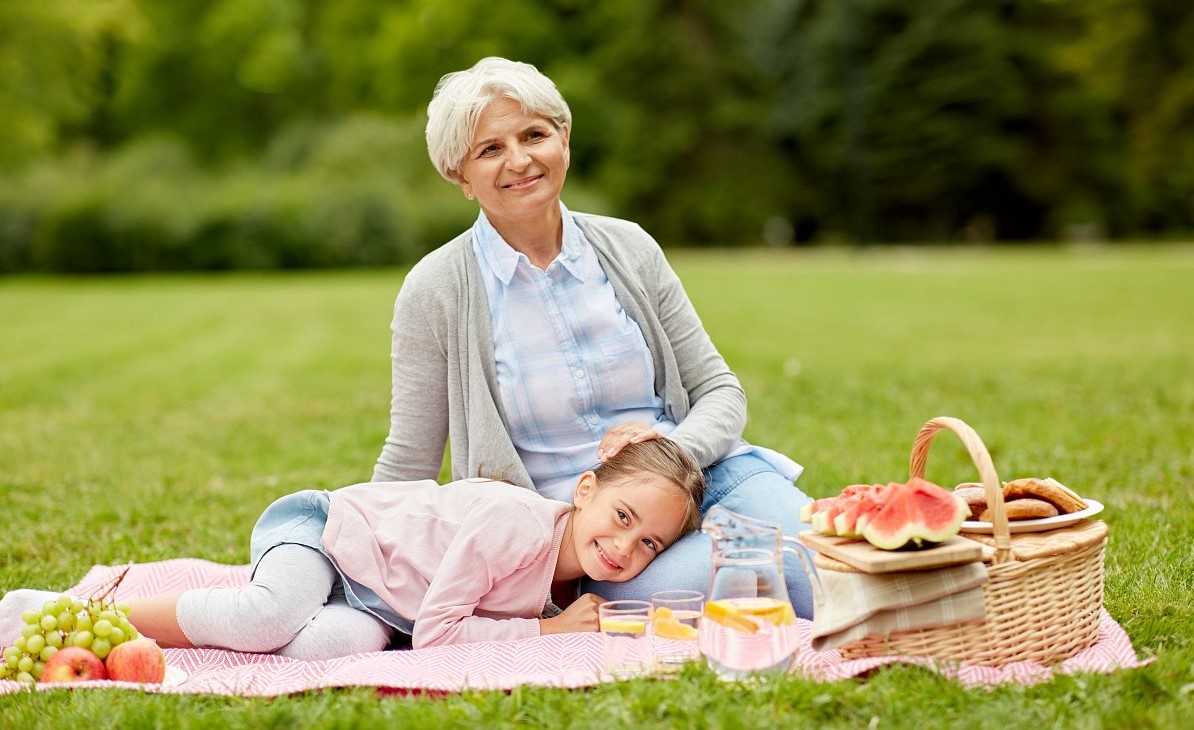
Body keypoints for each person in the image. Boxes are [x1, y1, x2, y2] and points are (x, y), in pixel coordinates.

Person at [371, 57, 816, 618]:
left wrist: (673, 448)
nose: (520, 160)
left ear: (564, 139)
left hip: (705, 474)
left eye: (534, 134)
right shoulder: (435, 289)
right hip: (596, 545)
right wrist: (360, 555)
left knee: (812, 554)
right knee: (740, 573)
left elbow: (720, 391)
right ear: (459, 176)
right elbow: (409, 460)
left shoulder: (629, 247)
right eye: (490, 149)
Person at [0, 439, 704, 660]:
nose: (624, 547)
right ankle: (66, 614)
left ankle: (188, 624)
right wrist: (543, 631)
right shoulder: (517, 524)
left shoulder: (568, 581)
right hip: (334, 539)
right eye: (620, 515)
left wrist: (550, 617)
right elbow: (439, 632)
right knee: (267, 618)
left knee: (317, 653)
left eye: (650, 543)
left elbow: (419, 628)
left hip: (381, 601)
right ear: (584, 490)